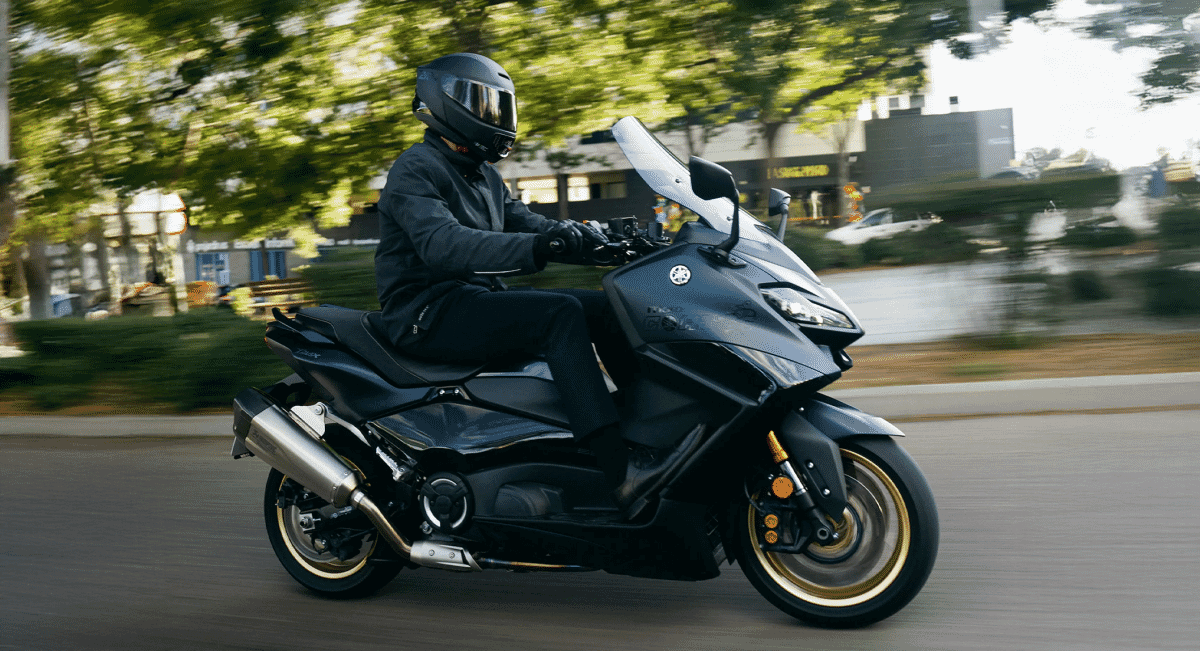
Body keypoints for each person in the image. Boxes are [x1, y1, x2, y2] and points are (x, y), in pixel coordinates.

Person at [374, 53, 696, 509]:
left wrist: (597, 242)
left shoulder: (482, 173)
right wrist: (542, 249)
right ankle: (617, 467)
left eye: (502, 107)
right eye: (486, 105)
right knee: (558, 315)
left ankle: (648, 427)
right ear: (446, 103)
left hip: (473, 300)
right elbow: (443, 244)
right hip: (427, 312)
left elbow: (526, 222)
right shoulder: (415, 169)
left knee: (606, 305)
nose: (499, 118)